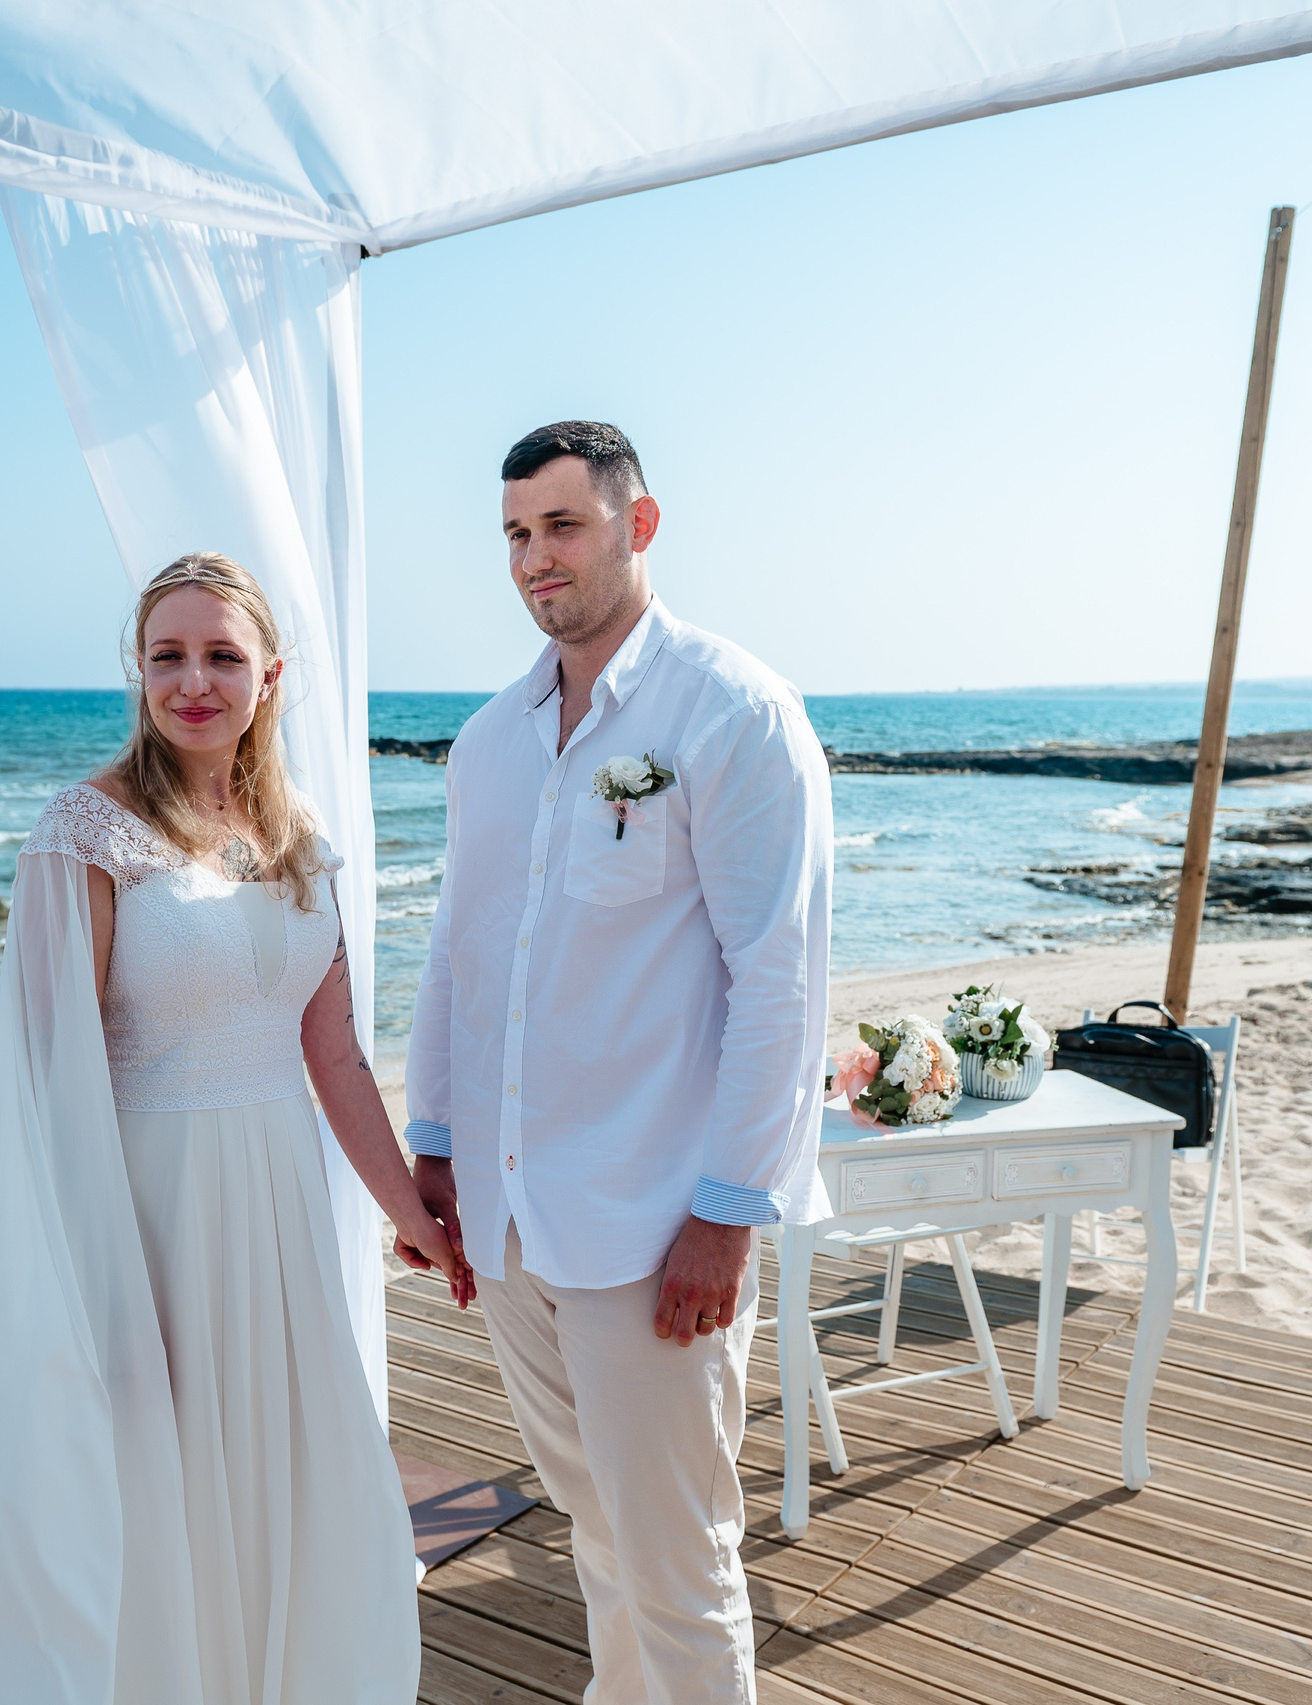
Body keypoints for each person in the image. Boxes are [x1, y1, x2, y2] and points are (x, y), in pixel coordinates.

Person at [0, 552, 471, 1704]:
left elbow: (333, 1056)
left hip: (279, 1210)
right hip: (149, 1209)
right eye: (166, 655)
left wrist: (411, 1212)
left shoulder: (300, 838)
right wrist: (93, 1278)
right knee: (152, 1483)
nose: (193, 681)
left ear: (270, 676)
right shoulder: (84, 831)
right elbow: (50, 1078)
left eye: (222, 655)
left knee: (279, 1465)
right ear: (138, 669)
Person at [405, 422, 833, 1702]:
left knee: (680, 1558)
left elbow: (780, 979)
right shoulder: (488, 741)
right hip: (508, 1216)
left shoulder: (733, 709)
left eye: (562, 525)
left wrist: (729, 1209)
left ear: (638, 526)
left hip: (654, 1221)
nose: (535, 558)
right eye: (515, 535)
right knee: (598, 1533)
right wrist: (435, 1149)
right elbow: (458, 955)